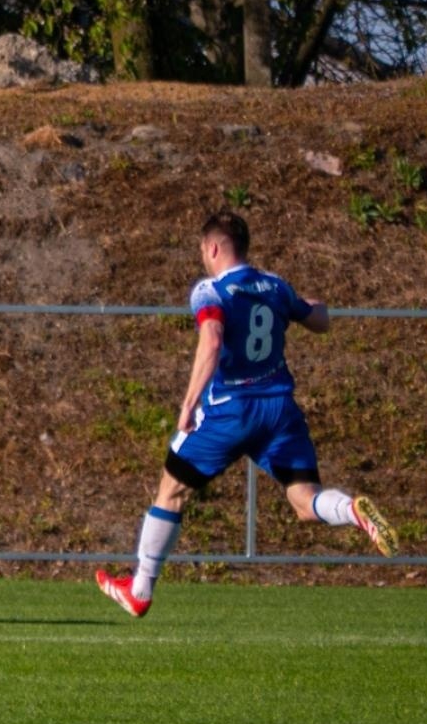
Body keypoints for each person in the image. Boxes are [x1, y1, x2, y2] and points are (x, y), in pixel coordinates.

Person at [97, 211, 397, 618]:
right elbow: (320, 320)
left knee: (171, 490)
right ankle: (351, 512)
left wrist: (188, 403)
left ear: (214, 247)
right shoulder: (274, 285)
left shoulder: (211, 290)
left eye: (203, 249)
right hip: (279, 411)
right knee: (305, 501)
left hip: (231, 411)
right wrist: (308, 305)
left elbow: (213, 338)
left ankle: (141, 589)